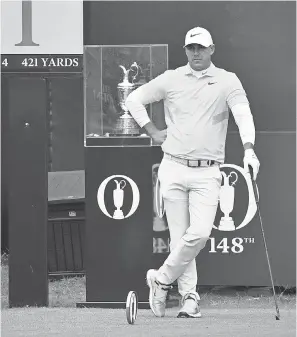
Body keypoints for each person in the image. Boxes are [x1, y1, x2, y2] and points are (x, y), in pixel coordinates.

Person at [125, 26, 260, 318]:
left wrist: (248, 148)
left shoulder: (227, 81)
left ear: (212, 49)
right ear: (186, 50)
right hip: (172, 166)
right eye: (191, 48)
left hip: (207, 171)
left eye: (201, 48)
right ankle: (189, 299)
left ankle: (160, 280)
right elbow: (133, 99)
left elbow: (243, 114)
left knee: (197, 234)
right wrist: (150, 130)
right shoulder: (172, 78)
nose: (196, 53)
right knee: (178, 238)